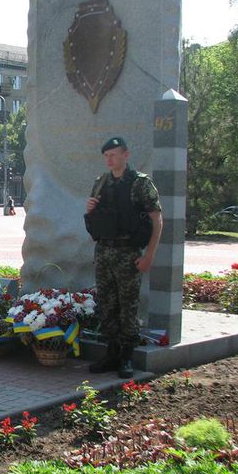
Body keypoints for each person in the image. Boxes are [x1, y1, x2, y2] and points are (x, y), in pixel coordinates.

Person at [85, 137, 163, 378]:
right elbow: (95, 219)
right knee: (107, 304)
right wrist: (89, 209)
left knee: (128, 306)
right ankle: (111, 353)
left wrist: (149, 255)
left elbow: (156, 219)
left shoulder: (140, 183)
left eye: (114, 154)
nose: (109, 159)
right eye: (106, 155)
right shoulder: (101, 182)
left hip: (128, 252)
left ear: (126, 155)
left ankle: (127, 356)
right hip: (105, 251)